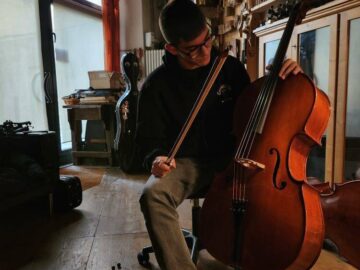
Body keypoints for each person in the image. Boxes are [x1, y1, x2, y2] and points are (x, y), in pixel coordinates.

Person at [135, 1, 302, 269]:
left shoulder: (230, 68)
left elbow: (254, 115)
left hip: (232, 159)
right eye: (193, 49)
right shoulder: (156, 86)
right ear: (172, 48)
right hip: (186, 164)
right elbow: (148, 142)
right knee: (152, 194)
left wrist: (282, 80)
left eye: (207, 41)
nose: (205, 51)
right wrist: (157, 158)